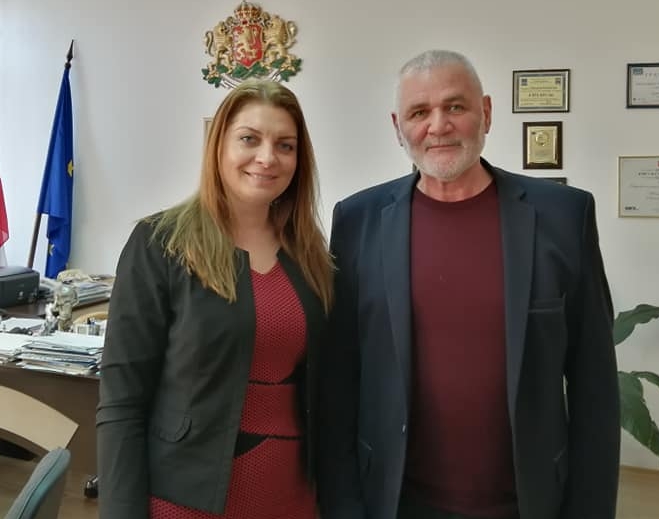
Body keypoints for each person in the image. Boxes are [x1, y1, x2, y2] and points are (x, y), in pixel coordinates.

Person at [318, 50, 619, 519]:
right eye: (419, 112)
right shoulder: (357, 221)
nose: (438, 125)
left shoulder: (563, 216)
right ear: (398, 127)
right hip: (396, 503)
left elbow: (594, 386)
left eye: (455, 106)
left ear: (487, 113)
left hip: (529, 503)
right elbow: (339, 380)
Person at [97, 79, 333, 519]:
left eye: (285, 145)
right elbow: (121, 402)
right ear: (218, 145)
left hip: (292, 498)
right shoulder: (161, 243)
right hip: (186, 500)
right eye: (249, 139)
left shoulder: (310, 255)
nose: (267, 157)